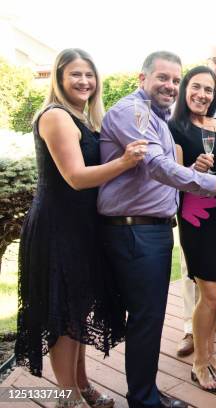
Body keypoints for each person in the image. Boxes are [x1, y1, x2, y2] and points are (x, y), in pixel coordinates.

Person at [98, 51, 216, 408]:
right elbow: (159, 167)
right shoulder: (136, 114)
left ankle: (151, 392)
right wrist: (213, 183)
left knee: (151, 316)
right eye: (163, 78)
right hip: (140, 227)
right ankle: (149, 395)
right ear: (142, 78)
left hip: (157, 225)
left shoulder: (158, 116)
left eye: (174, 80)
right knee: (149, 317)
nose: (171, 85)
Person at [15, 48, 146, 408]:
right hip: (59, 230)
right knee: (64, 317)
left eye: (89, 75)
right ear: (59, 77)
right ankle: (67, 398)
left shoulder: (84, 117)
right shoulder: (56, 117)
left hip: (83, 228)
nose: (84, 81)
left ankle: (82, 385)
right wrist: (125, 161)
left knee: (79, 312)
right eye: (75, 74)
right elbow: (75, 178)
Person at [168, 65, 216, 393]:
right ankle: (199, 361)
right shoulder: (175, 127)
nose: (202, 94)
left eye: (208, 90)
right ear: (185, 90)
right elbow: (173, 174)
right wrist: (191, 169)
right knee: (208, 292)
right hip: (197, 216)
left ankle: (210, 352)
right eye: (196, 87)